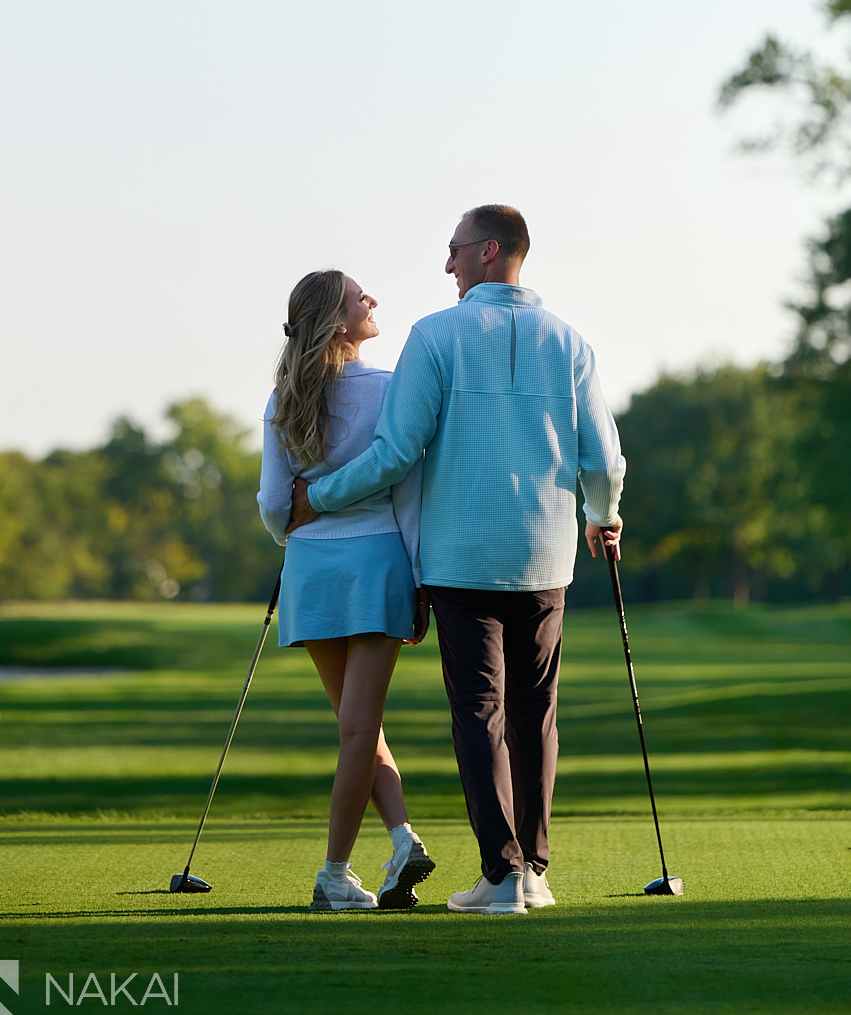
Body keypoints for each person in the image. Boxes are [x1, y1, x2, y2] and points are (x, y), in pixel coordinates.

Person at [288, 206, 625, 915]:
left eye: (453, 251)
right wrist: (603, 516)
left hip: (461, 558)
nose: (445, 265)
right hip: (545, 557)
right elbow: (603, 456)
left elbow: (395, 453)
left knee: (480, 711)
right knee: (536, 715)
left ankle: (501, 877)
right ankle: (530, 871)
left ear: (487, 251)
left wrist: (319, 496)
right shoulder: (569, 340)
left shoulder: (434, 335)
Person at [257, 269, 435, 912]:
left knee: (358, 723)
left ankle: (402, 841)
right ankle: (335, 874)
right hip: (379, 562)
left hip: (310, 570)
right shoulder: (391, 389)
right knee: (359, 727)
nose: (373, 301)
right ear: (338, 322)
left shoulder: (285, 394)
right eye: (361, 296)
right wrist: (419, 578)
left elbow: (276, 503)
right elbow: (409, 494)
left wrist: (295, 534)